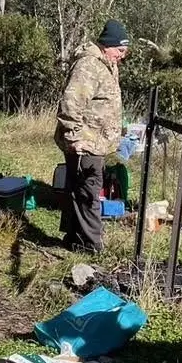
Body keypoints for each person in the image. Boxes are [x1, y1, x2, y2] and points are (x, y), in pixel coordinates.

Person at [54, 20, 129, 254]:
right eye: (120, 50)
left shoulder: (107, 64)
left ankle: (74, 239)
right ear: (107, 45)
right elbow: (71, 103)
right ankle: (92, 245)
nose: (122, 56)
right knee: (89, 193)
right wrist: (75, 138)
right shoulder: (89, 65)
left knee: (79, 190)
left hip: (95, 141)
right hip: (85, 142)